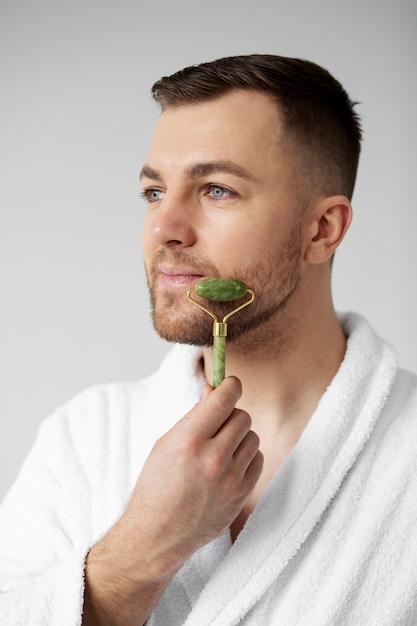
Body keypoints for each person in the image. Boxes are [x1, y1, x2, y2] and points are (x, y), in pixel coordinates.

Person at [1, 54, 416, 626]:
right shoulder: (83, 438)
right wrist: (142, 549)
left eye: (216, 190)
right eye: (153, 192)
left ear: (323, 229)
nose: (163, 228)